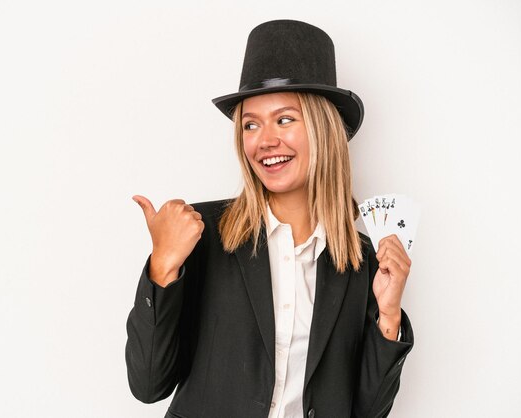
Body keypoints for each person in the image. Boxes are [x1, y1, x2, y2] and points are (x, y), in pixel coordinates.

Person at [126, 19, 414, 418]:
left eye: (284, 119)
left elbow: (366, 411)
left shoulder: (362, 262)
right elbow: (147, 385)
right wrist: (163, 265)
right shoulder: (201, 234)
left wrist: (389, 314)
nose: (265, 140)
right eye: (250, 124)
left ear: (322, 128)